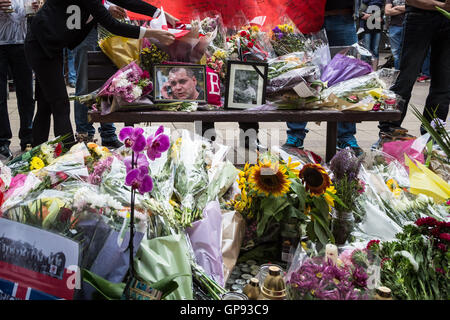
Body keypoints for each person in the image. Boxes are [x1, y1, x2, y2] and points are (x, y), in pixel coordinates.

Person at [24, 0, 178, 147]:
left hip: (50, 45)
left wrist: (158, 13)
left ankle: (38, 152)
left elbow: (126, 2)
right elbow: (112, 25)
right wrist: (152, 33)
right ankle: (69, 160)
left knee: (46, 104)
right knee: (60, 104)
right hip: (40, 45)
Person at [283, 0, 364, 157]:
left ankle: (346, 137)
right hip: (304, 17)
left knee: (347, 79)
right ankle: (295, 136)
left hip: (341, 16)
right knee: (300, 76)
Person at [374, 0, 450, 148]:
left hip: (446, 19)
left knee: (444, 82)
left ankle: (433, 135)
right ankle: (389, 130)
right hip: (419, 16)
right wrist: (441, 5)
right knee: (405, 78)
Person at [73, 2, 126, 148]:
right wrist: (107, 8)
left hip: (109, 28)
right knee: (84, 84)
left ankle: (108, 134)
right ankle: (84, 135)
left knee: (109, 84)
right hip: (86, 29)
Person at [0, 0, 35, 160]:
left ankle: (27, 137)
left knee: (26, 94)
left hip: (22, 41)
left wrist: (37, 6)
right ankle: (2, 141)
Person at [359, 0, 385, 70]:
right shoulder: (364, 1)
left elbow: (383, 13)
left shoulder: (382, 2)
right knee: (366, 50)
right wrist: (375, 16)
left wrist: (369, 15)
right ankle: (365, 70)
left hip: (377, 28)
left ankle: (374, 71)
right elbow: (361, 14)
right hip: (366, 28)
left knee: (375, 50)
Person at [385, 0, 406, 70]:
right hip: (394, 27)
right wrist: (404, 9)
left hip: (409, 26)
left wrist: (396, 7)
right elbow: (387, 11)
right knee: (396, 54)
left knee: (408, 52)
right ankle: (397, 74)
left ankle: (406, 74)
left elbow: (413, 8)